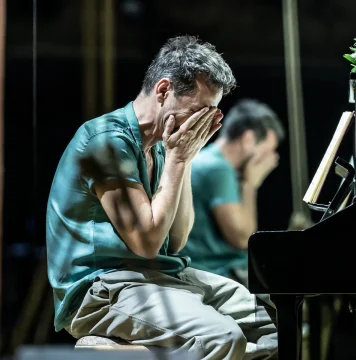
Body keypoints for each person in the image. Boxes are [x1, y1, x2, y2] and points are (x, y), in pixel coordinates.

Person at [46, 35, 277, 359]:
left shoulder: (160, 146)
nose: (203, 125)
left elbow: (178, 239)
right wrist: (179, 159)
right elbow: (146, 242)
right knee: (220, 336)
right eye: (198, 111)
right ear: (164, 90)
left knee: (272, 324)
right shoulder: (106, 141)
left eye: (211, 114)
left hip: (161, 277)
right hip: (104, 289)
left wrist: (184, 158)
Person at [179, 99, 284, 286]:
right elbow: (242, 239)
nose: (271, 160)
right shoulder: (219, 169)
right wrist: (251, 184)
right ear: (248, 139)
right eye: (267, 152)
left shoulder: (206, 159)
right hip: (215, 274)